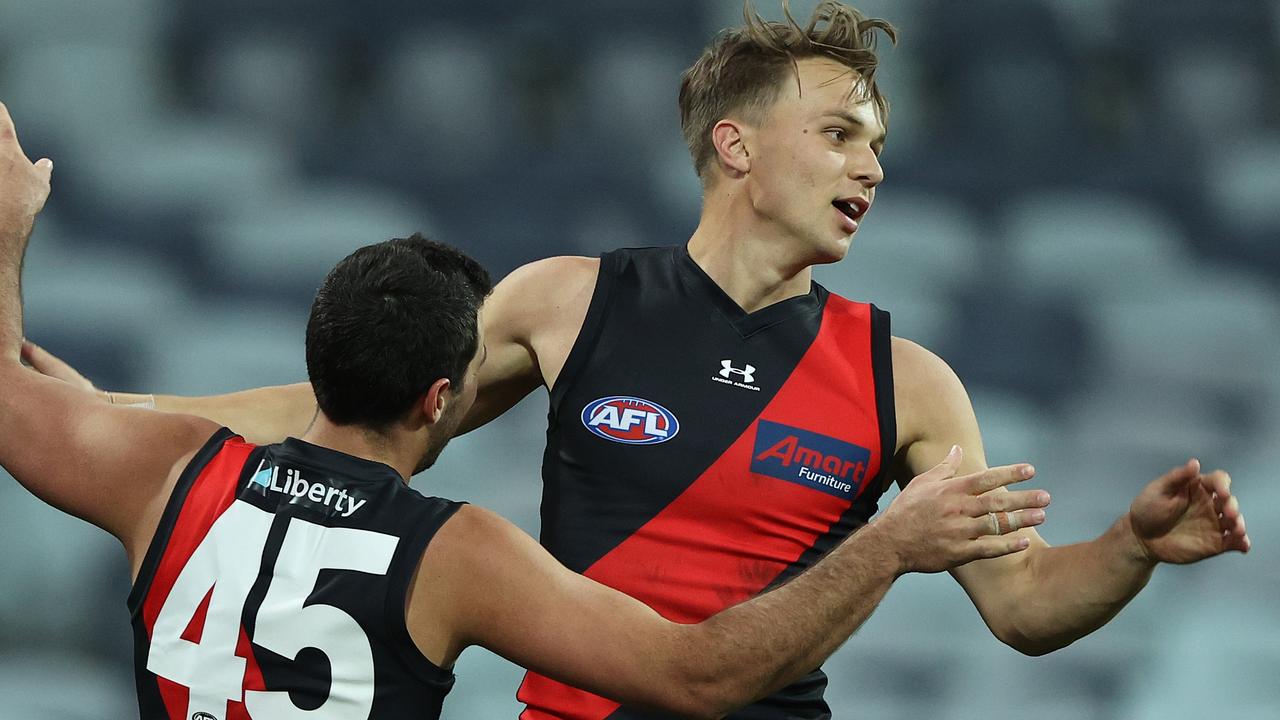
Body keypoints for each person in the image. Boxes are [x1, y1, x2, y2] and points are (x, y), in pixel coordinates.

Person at [21, 2, 1251, 719]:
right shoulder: (566, 302)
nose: (869, 169)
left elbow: (1025, 609)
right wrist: (123, 409)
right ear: (734, 145)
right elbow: (360, 408)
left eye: (874, 143)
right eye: (837, 135)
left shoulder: (904, 381)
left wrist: (1128, 551)